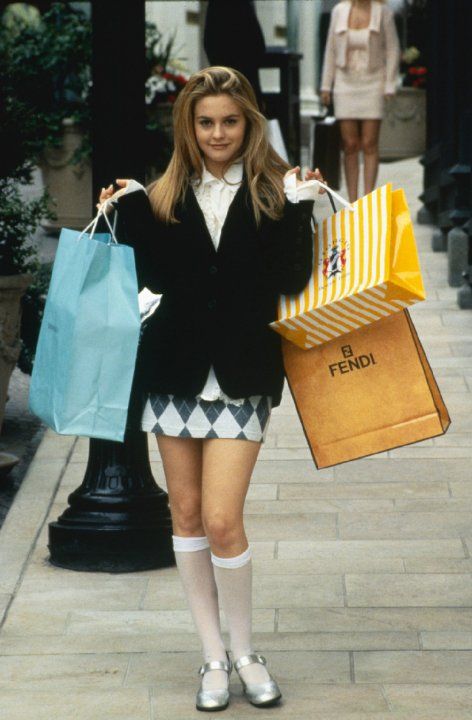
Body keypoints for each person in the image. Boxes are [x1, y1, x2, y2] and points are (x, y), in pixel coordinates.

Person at [98, 66, 325, 712]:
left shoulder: (275, 192)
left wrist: (301, 205)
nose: (217, 133)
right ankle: (212, 657)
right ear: (188, 128)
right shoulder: (161, 196)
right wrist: (121, 209)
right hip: (172, 375)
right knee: (186, 514)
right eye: (205, 122)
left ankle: (247, 651)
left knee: (224, 520)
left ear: (248, 124)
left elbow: (290, 275)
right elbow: (142, 276)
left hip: (244, 376)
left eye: (229, 121)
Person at [320, 0, 400, 202]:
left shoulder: (383, 12)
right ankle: (352, 201)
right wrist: (326, 86)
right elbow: (330, 49)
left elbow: (393, 49)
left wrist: (390, 83)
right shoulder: (339, 11)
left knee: (370, 143)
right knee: (349, 144)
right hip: (345, 83)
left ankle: (368, 199)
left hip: (373, 82)